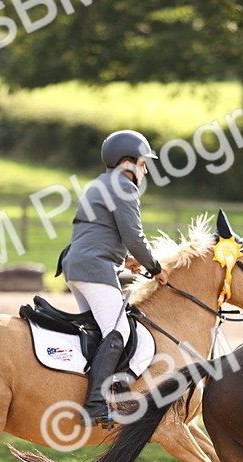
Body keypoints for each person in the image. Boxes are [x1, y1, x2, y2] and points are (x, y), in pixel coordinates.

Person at [59, 130, 168, 427]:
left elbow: (100, 232)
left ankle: (81, 387)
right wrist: (155, 267)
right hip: (93, 268)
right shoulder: (124, 186)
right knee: (118, 331)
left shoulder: (100, 183)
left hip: (77, 265)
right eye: (143, 163)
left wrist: (123, 263)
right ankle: (95, 404)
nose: (145, 170)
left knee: (98, 331)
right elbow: (134, 236)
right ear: (127, 161)